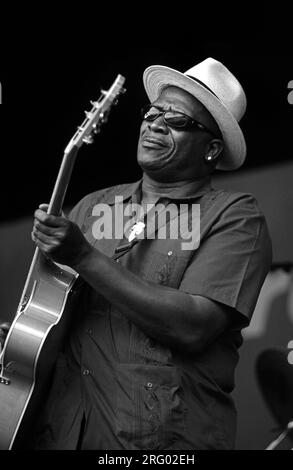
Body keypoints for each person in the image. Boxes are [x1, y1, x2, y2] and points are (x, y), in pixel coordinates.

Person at [0, 58, 272, 450]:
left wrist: (84, 256)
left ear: (212, 149)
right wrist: (20, 342)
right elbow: (51, 317)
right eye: (152, 112)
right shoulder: (95, 207)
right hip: (62, 432)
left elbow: (193, 327)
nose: (155, 124)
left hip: (161, 443)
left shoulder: (233, 216)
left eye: (177, 121)